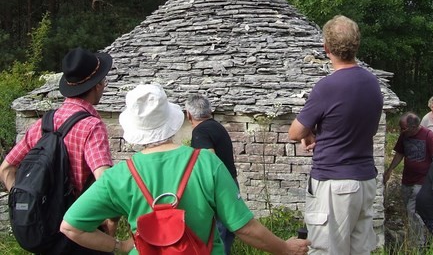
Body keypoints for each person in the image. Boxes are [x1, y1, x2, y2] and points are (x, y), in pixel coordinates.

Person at [60, 84, 311, 254]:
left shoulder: (119, 176)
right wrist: (285, 248)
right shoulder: (206, 163)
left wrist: (121, 246)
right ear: (172, 120)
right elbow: (244, 227)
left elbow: (71, 226)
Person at [0, 47, 115, 254]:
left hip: (45, 233)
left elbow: (6, 168)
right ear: (97, 85)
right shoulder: (91, 126)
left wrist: (32, 206)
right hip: (79, 233)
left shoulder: (43, 124)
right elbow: (105, 181)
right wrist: (110, 222)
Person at [288, 15, 383, 254]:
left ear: (326, 48)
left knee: (326, 250)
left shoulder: (327, 87)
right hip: (365, 181)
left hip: (335, 184)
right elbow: (366, 130)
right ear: (356, 45)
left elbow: (295, 132)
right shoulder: (373, 84)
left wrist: (309, 132)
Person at [185, 93, 237, 254]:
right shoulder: (216, 127)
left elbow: (209, 162)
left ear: (189, 115)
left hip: (217, 189)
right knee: (227, 234)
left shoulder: (200, 131)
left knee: (217, 235)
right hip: (230, 183)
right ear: (210, 111)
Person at [383, 112, 433, 246]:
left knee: (412, 210)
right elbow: (400, 153)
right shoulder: (404, 136)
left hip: (423, 181)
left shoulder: (428, 136)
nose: (401, 131)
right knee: (411, 212)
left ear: (414, 126)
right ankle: (429, 237)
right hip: (407, 179)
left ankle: (417, 245)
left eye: (403, 128)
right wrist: (390, 170)